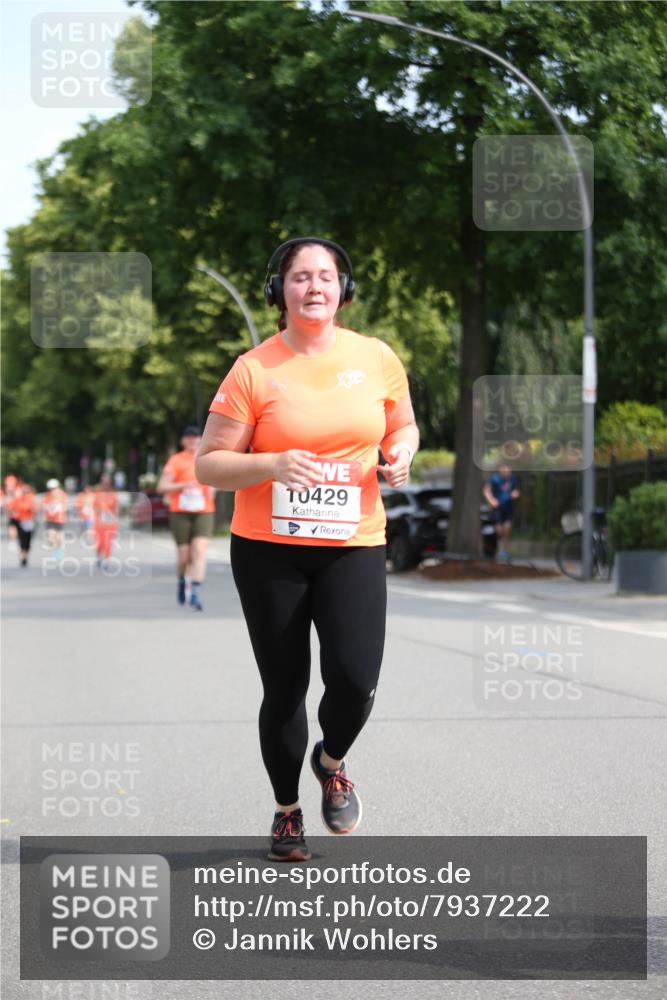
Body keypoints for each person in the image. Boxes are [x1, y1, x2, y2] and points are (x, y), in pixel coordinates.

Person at [196, 237, 419, 861]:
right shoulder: (253, 369)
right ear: (280, 291)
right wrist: (271, 463)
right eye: (300, 277)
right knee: (285, 686)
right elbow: (209, 465)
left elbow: (402, 424)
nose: (315, 286)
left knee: (355, 679)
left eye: (326, 275)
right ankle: (287, 810)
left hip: (354, 542)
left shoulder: (376, 357)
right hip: (270, 550)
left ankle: (331, 760)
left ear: (343, 289)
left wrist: (402, 452)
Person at [157, 426, 216, 611]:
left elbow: (218, 479)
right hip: (180, 512)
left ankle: (195, 594)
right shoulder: (176, 460)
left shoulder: (208, 458)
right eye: (188, 437)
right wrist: (183, 485)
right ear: (183, 441)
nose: (192, 440)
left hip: (203, 511)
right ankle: (182, 581)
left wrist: (212, 488)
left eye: (196, 437)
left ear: (201, 439)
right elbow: (162, 487)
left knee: (198, 551)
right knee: (184, 558)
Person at [483, 463, 520, 561]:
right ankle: (497, 549)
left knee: (507, 530)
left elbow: (516, 491)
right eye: (504, 469)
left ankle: (504, 551)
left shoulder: (512, 479)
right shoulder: (494, 479)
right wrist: (491, 500)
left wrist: (515, 494)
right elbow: (486, 490)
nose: (506, 471)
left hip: (508, 508)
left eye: (508, 469)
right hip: (498, 509)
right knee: (499, 531)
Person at [7, 482, 38, 567]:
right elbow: (10, 508)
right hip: (20, 522)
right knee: (22, 540)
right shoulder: (17, 500)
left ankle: (25, 557)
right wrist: (14, 513)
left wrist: (32, 509)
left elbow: (35, 510)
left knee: (28, 541)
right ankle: (22, 556)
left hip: (29, 522)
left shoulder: (31, 499)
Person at [93, 476, 119, 568]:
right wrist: (101, 511)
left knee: (108, 543)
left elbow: (116, 510)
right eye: (104, 483)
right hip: (99, 524)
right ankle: (99, 557)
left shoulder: (113, 495)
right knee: (100, 543)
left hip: (110, 524)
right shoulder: (98, 494)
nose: (105, 485)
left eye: (107, 483)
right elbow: (94, 508)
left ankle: (106, 560)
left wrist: (116, 522)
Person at [42, 478, 68, 559]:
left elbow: (64, 505)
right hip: (50, 518)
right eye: (51, 488)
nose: (52, 490)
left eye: (53, 488)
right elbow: (45, 505)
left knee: (59, 534)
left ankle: (60, 549)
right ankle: (56, 549)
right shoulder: (48, 495)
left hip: (59, 517)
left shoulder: (61, 494)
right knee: (52, 534)